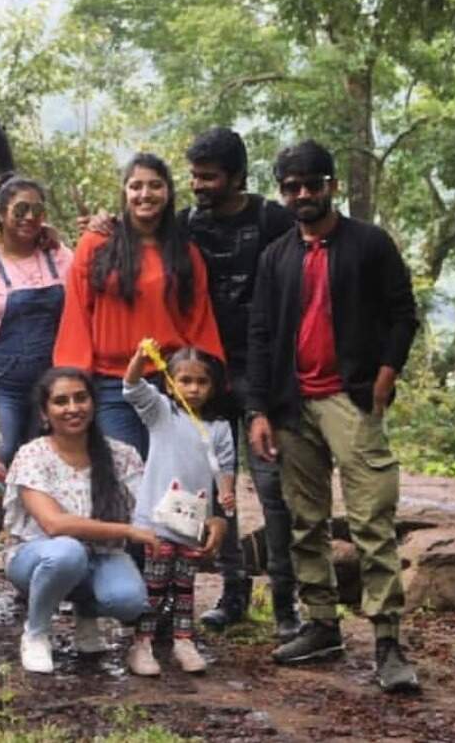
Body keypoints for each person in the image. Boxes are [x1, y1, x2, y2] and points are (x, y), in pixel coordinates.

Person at [247, 140, 420, 694]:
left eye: (312, 184)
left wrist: (385, 376)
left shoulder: (368, 243)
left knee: (372, 520)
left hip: (351, 397)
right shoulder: (277, 256)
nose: (302, 194)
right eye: (291, 186)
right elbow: (260, 333)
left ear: (332, 186)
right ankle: (321, 624)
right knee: (306, 520)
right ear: (282, 192)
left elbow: (402, 313)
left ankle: (388, 640)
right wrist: (258, 409)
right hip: (291, 402)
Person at [178, 128, 298, 639]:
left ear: (237, 178)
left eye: (208, 177)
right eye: (194, 176)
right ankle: (232, 594)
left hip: (263, 373)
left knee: (272, 489)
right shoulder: (185, 223)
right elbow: (136, 241)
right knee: (214, 490)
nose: (198, 185)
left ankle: (287, 602)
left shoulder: (272, 220)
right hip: (205, 372)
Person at [53, 153, 223, 459]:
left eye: (155, 185)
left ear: (168, 191)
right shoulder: (96, 243)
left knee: (172, 476)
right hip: (111, 384)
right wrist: (74, 380)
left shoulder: (186, 252)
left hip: (171, 383)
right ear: (125, 192)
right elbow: (77, 313)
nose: (145, 194)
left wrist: (206, 377)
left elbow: (199, 319)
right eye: (136, 186)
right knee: (124, 473)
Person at [3, 368, 153, 675]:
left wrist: (205, 522)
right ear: (44, 413)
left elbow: (150, 511)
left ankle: (86, 613)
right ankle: (36, 632)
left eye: (81, 398)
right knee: (67, 552)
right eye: (61, 401)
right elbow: (54, 524)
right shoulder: (32, 455)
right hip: (38, 556)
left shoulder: (122, 454)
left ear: (94, 404)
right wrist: (126, 530)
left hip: (102, 555)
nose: (73, 408)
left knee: (129, 602)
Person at [122, 340, 232, 676]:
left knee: (185, 585)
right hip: (157, 522)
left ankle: (184, 640)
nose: (193, 389)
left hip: (193, 522)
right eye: (185, 380)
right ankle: (142, 643)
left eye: (202, 382)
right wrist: (140, 358)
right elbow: (132, 387)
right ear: (170, 384)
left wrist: (227, 495)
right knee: (155, 584)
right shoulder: (162, 413)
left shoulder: (219, 427)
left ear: (213, 386)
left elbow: (225, 467)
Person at [0, 174, 72, 466]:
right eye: (20, 210)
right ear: (0, 213)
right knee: (0, 454)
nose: (29, 217)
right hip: (3, 389)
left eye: (37, 210)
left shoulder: (59, 258)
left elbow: (81, 310)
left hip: (52, 383)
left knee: (49, 458)